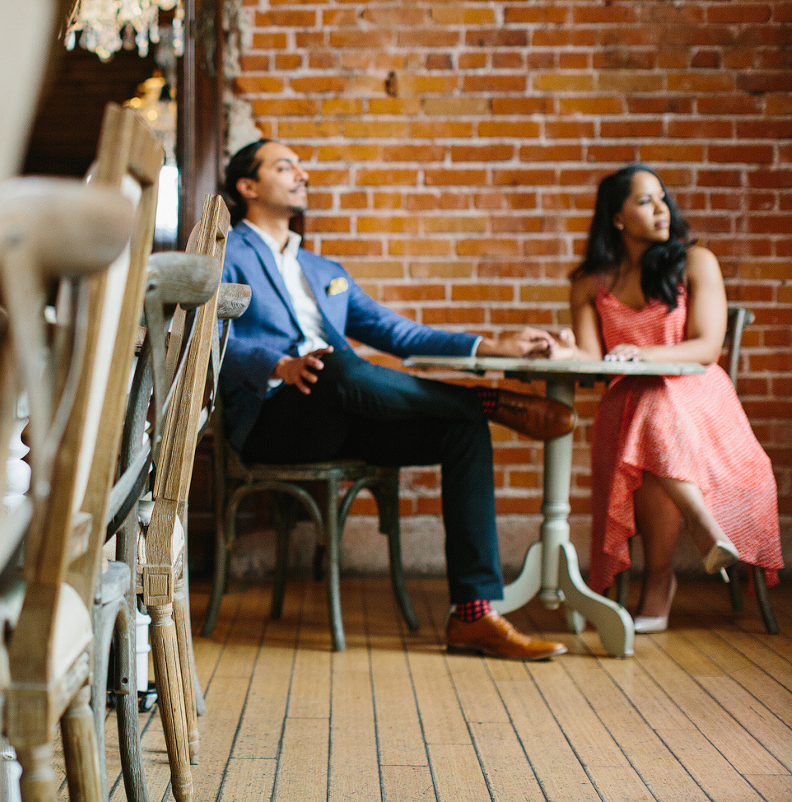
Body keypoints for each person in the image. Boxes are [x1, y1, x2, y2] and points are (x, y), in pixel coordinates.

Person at [219, 138, 576, 661]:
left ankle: (474, 616)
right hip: (275, 419)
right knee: (334, 363)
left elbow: (397, 333)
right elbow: (202, 335)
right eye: (283, 165)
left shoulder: (324, 270)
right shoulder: (227, 252)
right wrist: (275, 364)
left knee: (461, 432)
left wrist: (491, 346)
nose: (301, 173)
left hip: (344, 407)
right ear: (247, 187)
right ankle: (485, 401)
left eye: (300, 164)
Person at [551, 164, 782, 632]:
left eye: (662, 198)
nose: (661, 209)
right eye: (644, 201)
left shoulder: (697, 262)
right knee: (649, 414)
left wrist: (646, 353)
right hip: (630, 410)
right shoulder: (589, 283)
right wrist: (563, 348)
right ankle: (695, 537)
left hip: (700, 403)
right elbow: (592, 365)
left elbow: (706, 346)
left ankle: (662, 578)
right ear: (616, 218)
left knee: (655, 403)